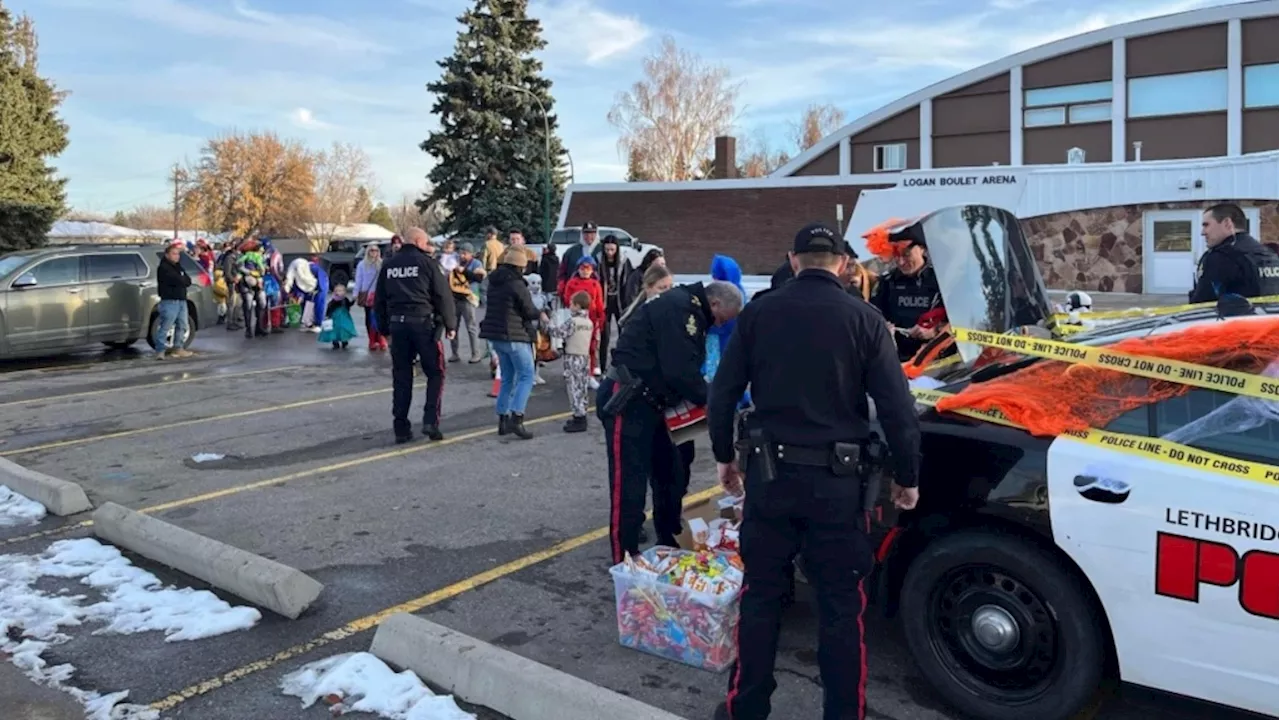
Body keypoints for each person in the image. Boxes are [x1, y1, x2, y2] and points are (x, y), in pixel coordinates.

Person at [707, 223, 923, 720]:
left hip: (770, 479)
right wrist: (907, 477)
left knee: (760, 598)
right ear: (843, 264)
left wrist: (725, 458)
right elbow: (898, 410)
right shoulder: (865, 319)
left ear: (794, 258)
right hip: (839, 488)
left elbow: (722, 394)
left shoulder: (759, 314)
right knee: (841, 609)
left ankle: (747, 708)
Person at [598, 279, 744, 565]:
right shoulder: (681, 309)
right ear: (713, 304)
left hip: (658, 402)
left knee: (671, 476)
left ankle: (668, 541)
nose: (717, 326)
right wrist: (716, 400)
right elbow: (681, 372)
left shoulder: (691, 309)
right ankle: (626, 558)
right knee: (629, 484)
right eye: (719, 320)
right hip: (629, 399)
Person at [375, 228, 458, 444]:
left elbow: (380, 301)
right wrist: (450, 324)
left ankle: (401, 427)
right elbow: (442, 295)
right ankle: (431, 421)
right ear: (419, 241)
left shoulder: (389, 265)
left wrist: (384, 330)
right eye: (427, 241)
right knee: (435, 373)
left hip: (398, 326)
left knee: (402, 377)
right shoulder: (427, 264)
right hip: (423, 325)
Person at [479, 247, 547, 440]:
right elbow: (528, 310)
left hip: (496, 336)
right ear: (520, 266)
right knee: (527, 375)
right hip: (514, 335)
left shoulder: (494, 282)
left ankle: (503, 419)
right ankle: (517, 418)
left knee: (508, 377)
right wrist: (541, 313)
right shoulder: (517, 284)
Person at [870, 229, 942, 361]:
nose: (901, 262)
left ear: (922, 249)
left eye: (907, 255)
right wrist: (882, 328)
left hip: (937, 359)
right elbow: (873, 315)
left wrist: (936, 330)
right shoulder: (887, 282)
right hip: (898, 359)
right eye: (896, 256)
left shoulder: (941, 279)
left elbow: (963, 321)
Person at [1189, 202, 1280, 303]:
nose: (1203, 232)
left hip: (1234, 318)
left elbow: (1201, 303)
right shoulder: (1269, 255)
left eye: (1206, 225)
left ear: (1227, 223)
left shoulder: (1221, 257)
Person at [548, 291, 595, 433]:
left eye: (572, 304)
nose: (570, 306)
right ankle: (582, 413)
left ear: (577, 305)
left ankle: (578, 416)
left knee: (573, 387)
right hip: (584, 357)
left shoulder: (572, 322)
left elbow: (559, 332)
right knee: (582, 386)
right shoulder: (588, 322)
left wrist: (548, 324)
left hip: (572, 357)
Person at [562, 256, 606, 377]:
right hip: (575, 320)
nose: (585, 271)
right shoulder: (572, 283)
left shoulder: (595, 284)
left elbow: (599, 303)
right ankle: (571, 370)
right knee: (571, 346)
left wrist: (600, 320)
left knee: (591, 347)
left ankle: (589, 373)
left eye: (588, 268)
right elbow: (567, 300)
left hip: (591, 320)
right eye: (583, 268)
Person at [595, 235, 632, 374]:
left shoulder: (623, 261)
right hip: (604, 302)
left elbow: (628, 283)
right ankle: (603, 367)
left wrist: (627, 303)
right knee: (605, 335)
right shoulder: (598, 260)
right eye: (607, 250)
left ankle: (623, 365)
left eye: (612, 250)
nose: (610, 253)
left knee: (623, 334)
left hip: (620, 302)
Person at [448, 242, 487, 363]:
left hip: (468, 297)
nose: (462, 255)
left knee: (471, 326)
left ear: (471, 254)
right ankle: (455, 353)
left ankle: (476, 354)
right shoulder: (454, 262)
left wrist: (464, 271)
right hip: (454, 297)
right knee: (453, 326)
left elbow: (479, 278)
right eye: (461, 253)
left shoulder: (476, 264)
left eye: (465, 253)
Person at [154, 242, 193, 359]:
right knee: (166, 326)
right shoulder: (163, 267)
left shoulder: (179, 267)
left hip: (181, 300)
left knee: (183, 325)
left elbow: (187, 281)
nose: (176, 256)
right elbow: (177, 280)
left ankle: (178, 348)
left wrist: (182, 279)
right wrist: (181, 279)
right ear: (167, 255)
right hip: (169, 301)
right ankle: (160, 350)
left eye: (178, 254)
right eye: (174, 254)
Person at [355, 244, 387, 351]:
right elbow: (359, 279)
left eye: (376, 250)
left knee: (381, 316)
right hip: (368, 294)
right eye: (371, 250)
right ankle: (372, 339)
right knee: (369, 317)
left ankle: (381, 338)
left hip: (380, 294)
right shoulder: (362, 264)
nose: (374, 253)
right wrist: (356, 293)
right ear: (367, 252)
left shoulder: (382, 263)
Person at [556, 221, 597, 297]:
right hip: (574, 292)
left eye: (592, 233)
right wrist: (562, 284)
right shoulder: (571, 252)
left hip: (595, 292)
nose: (589, 236)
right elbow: (562, 271)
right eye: (586, 233)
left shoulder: (602, 250)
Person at [319, 284, 358, 350]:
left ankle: (344, 341)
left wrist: (353, 300)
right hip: (335, 318)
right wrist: (327, 316)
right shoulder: (333, 301)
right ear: (335, 292)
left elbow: (349, 305)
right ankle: (335, 342)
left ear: (344, 292)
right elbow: (329, 308)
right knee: (335, 330)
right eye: (337, 291)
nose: (339, 292)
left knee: (344, 329)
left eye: (341, 291)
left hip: (344, 317)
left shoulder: (345, 299)